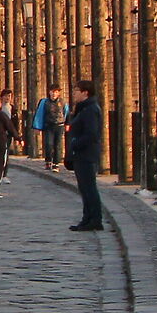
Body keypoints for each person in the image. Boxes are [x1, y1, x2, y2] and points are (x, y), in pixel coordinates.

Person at [66, 80, 105, 231]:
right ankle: (87, 218)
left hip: (86, 155)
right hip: (80, 155)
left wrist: (75, 143)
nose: (74, 93)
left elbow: (92, 133)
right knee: (84, 188)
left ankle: (95, 219)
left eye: (76, 91)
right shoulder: (82, 109)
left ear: (85, 92)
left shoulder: (90, 110)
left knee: (89, 188)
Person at [33, 86, 65, 168]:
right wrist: (37, 126)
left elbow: (66, 113)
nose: (54, 93)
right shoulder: (44, 102)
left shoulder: (62, 102)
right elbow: (39, 114)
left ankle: (56, 163)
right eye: (52, 91)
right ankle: (48, 160)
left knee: (57, 145)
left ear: (58, 93)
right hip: (49, 125)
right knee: (48, 144)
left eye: (56, 92)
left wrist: (67, 123)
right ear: (49, 92)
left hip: (59, 125)